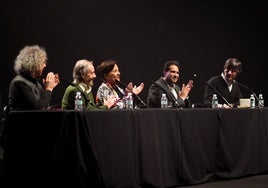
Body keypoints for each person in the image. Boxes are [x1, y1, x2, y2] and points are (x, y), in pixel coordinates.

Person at [8, 45, 60, 111]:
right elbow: (38, 108)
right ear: (34, 64)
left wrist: (47, 87)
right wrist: (49, 88)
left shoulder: (34, 82)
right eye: (43, 62)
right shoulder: (19, 83)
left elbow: (44, 104)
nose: (45, 65)